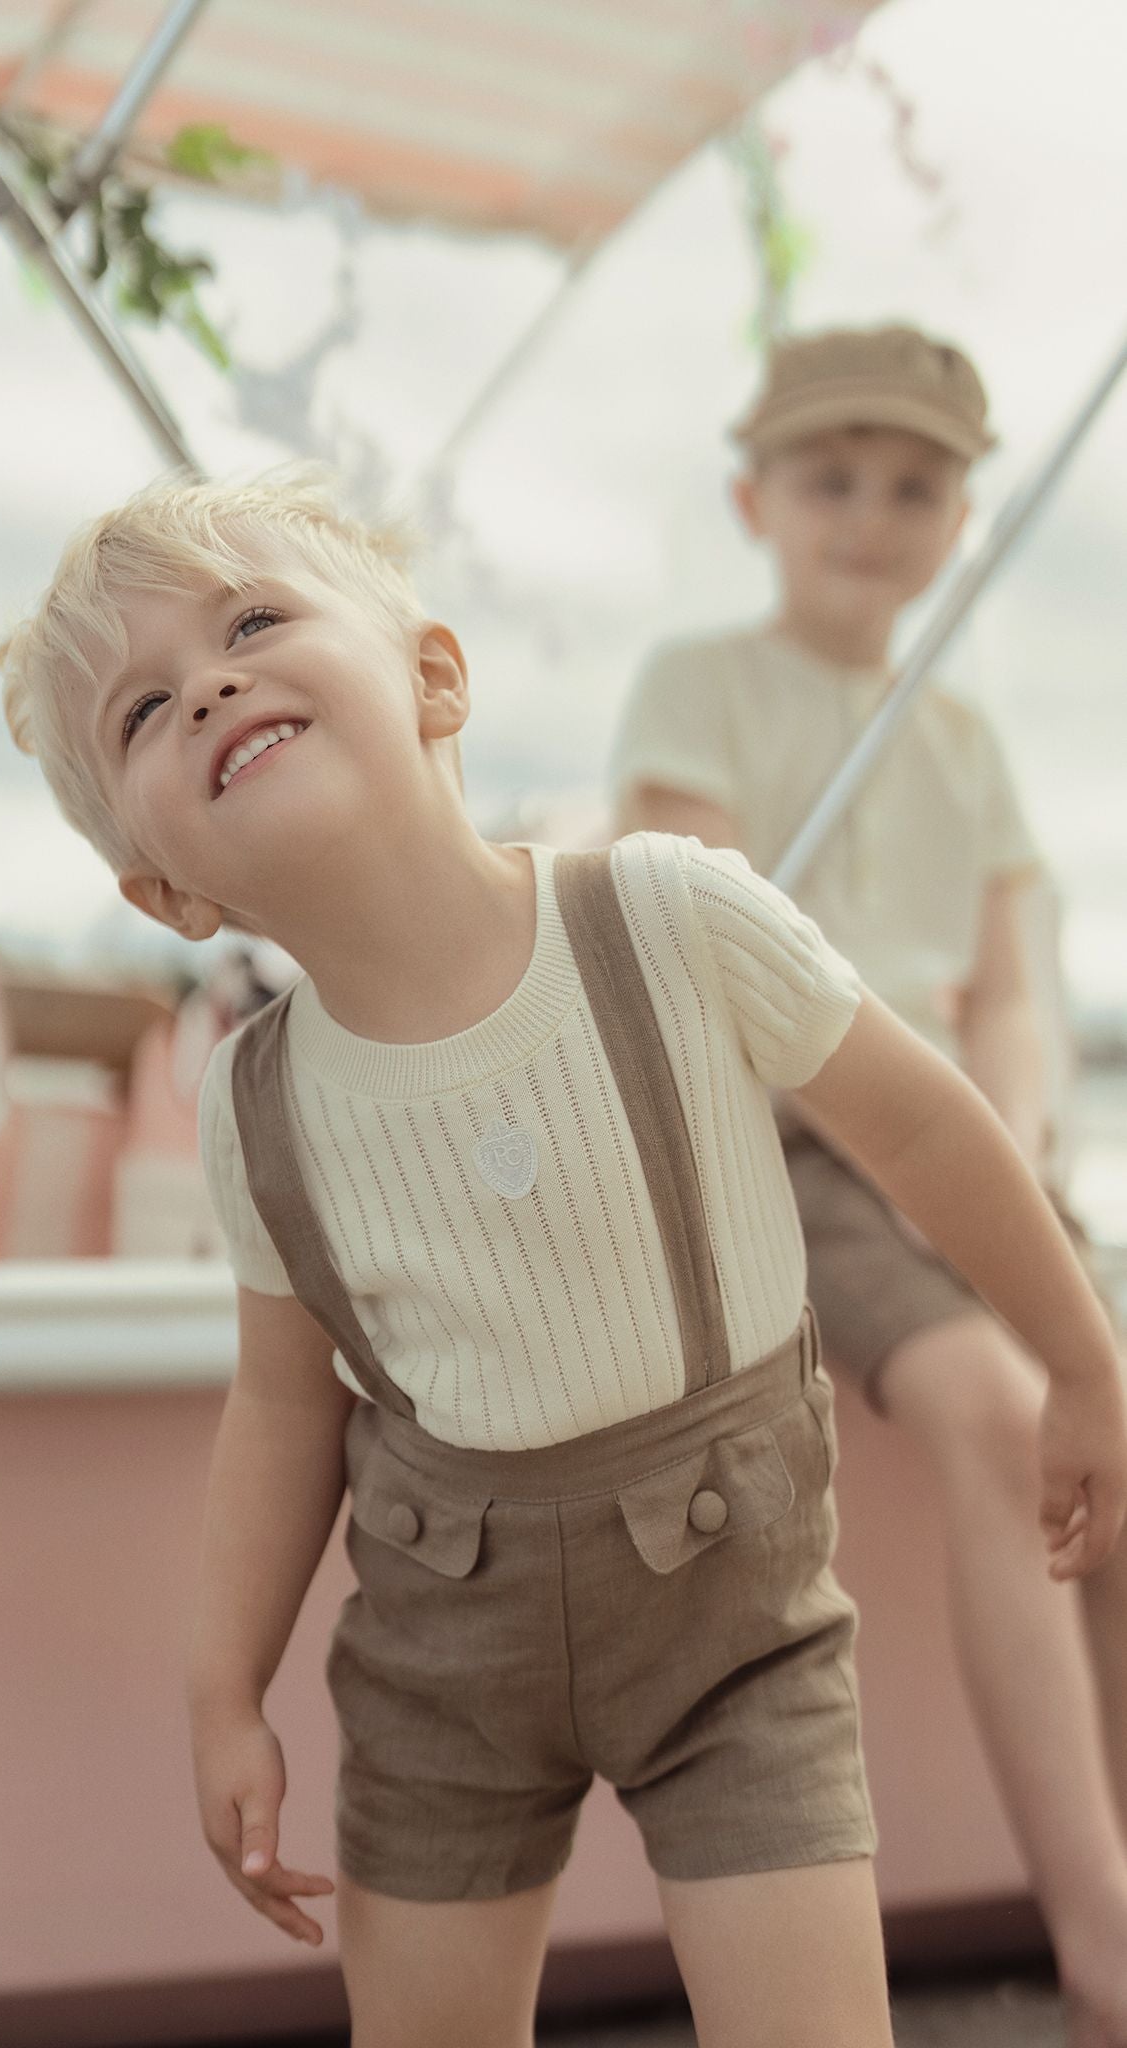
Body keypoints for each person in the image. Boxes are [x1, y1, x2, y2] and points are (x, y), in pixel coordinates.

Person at [0, 467, 1126, 2048]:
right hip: (443, 1657)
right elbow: (279, 1410)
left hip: (735, 1632)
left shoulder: (669, 917)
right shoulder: (254, 1106)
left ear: (433, 678)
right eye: (142, 710)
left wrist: (1079, 1360)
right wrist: (220, 1686)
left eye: (253, 620)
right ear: (165, 890)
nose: (212, 688)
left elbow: (926, 1133)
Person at [611, 322, 1127, 2048]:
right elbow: (714, 948)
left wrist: (1017, 1144)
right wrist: (924, 1154)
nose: (868, 513)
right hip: (797, 1134)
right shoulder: (698, 686)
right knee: (992, 1398)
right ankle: (1095, 1930)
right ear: (753, 496)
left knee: (1106, 1412)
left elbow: (1017, 984)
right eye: (830, 476)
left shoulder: (964, 735)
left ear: (957, 519)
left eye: (912, 485)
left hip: (958, 1142)